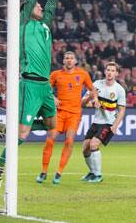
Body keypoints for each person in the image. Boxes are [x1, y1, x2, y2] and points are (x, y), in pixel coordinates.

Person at [0, 0, 69, 189]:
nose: (40, 6)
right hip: (29, 84)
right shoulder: (23, 22)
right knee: (23, 136)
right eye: (36, 6)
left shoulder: (45, 23)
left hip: (45, 85)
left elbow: (52, 1)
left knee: (52, 125)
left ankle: (7, 127)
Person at [38, 51, 97, 185]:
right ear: (63, 61)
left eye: (71, 58)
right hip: (58, 113)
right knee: (50, 140)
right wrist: (53, 98)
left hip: (74, 114)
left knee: (69, 141)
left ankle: (58, 173)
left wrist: (90, 98)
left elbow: (93, 89)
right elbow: (44, 88)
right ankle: (43, 171)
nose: (69, 60)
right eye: (66, 58)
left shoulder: (83, 74)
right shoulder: (56, 75)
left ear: (75, 61)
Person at [80, 62, 127, 183]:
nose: (110, 72)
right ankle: (92, 172)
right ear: (105, 71)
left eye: (112, 70)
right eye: (108, 70)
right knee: (85, 148)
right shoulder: (96, 85)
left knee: (94, 144)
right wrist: (90, 97)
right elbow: (82, 103)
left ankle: (98, 175)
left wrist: (115, 125)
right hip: (97, 122)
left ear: (116, 73)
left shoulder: (119, 90)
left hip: (109, 123)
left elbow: (121, 111)